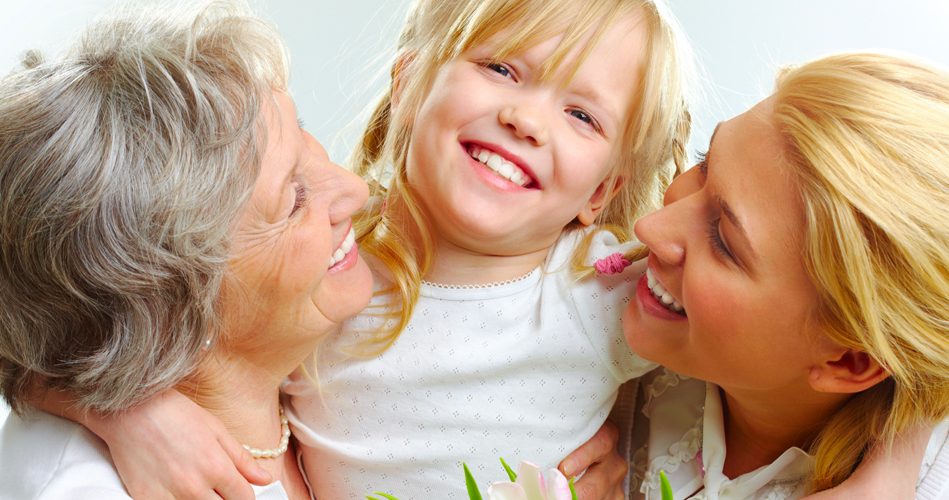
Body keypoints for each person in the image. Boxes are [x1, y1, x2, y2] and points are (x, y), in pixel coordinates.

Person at [0, 1, 374, 498]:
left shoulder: (328, 360)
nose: (358, 190)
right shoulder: (83, 488)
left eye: (301, 129)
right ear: (174, 308)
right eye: (294, 198)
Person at [622, 52, 949, 499]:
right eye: (703, 162)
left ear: (848, 362)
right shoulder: (590, 301)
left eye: (722, 240)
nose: (649, 228)